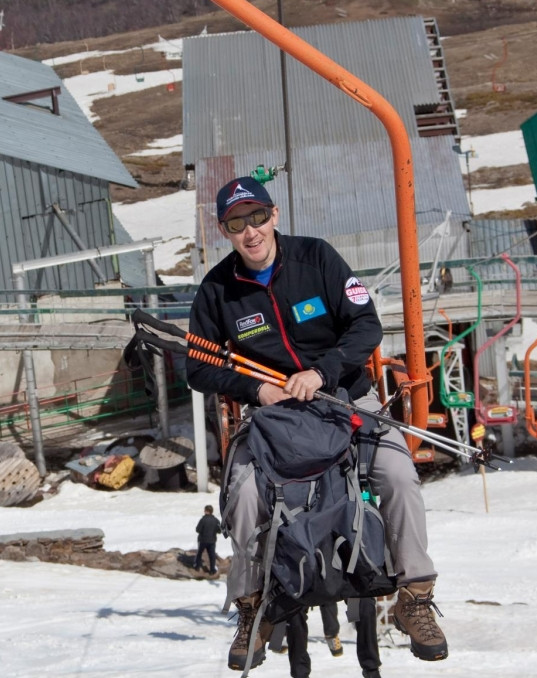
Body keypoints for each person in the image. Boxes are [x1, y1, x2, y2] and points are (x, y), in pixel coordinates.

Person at [186, 176, 447, 671]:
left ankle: (416, 596)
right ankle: (253, 608)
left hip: (346, 397)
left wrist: (322, 370)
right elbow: (198, 367)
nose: (251, 232)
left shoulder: (318, 258)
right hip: (273, 413)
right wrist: (255, 389)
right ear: (226, 230)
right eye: (237, 224)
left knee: (397, 475)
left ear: (275, 215)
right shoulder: (217, 290)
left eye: (258, 217)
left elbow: (366, 325)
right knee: (241, 494)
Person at [283, 599, 382, 678]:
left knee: (364, 604)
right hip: (311, 582)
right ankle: (300, 673)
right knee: (294, 606)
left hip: (344, 580)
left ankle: (371, 670)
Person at [194, 504, 222, 574]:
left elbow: (198, 529)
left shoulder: (203, 520)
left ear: (206, 511)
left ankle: (197, 566)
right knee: (212, 555)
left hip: (203, 540)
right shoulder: (216, 520)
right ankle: (212, 570)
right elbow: (219, 531)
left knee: (199, 553)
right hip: (212, 540)